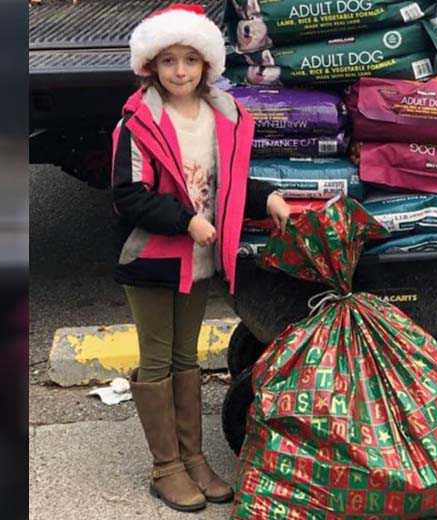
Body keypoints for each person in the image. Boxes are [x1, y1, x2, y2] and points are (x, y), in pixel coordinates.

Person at [110, 3, 290, 513]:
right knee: (158, 358)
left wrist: (267, 198)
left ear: (208, 65)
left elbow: (227, 184)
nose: (181, 71)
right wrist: (185, 220)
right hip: (152, 259)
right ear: (151, 66)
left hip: (199, 260)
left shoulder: (222, 116)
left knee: (187, 358)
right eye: (169, 61)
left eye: (191, 59)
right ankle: (165, 466)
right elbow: (129, 194)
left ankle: (193, 458)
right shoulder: (139, 122)